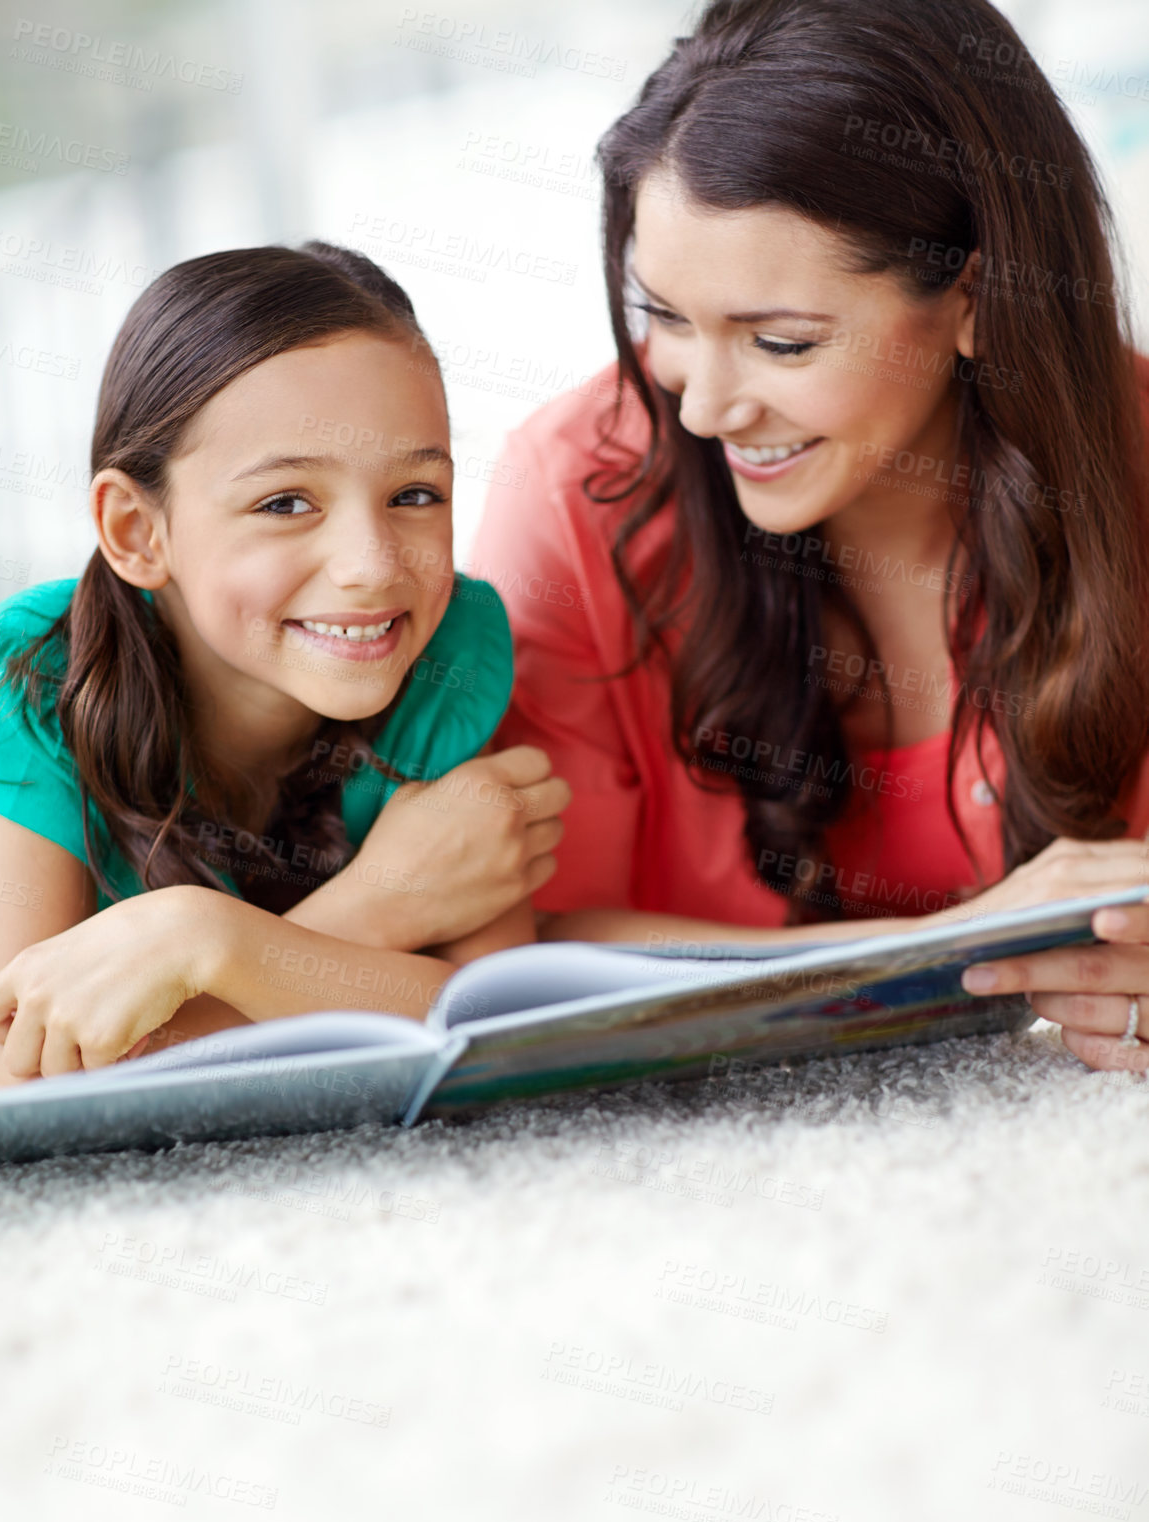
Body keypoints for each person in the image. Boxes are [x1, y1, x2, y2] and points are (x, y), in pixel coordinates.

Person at [470, 0, 1149, 1072]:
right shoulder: (576, 491)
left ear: (975, 293)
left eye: (779, 343)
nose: (702, 408)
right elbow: (534, 947)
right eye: (666, 318)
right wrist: (965, 946)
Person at [0, 243, 569, 1086]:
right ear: (135, 532)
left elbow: (489, 1027)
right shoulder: (39, 675)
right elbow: (21, 1075)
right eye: (285, 503)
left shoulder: (445, 649)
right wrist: (370, 906)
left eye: (415, 495)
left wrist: (215, 951)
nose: (373, 565)